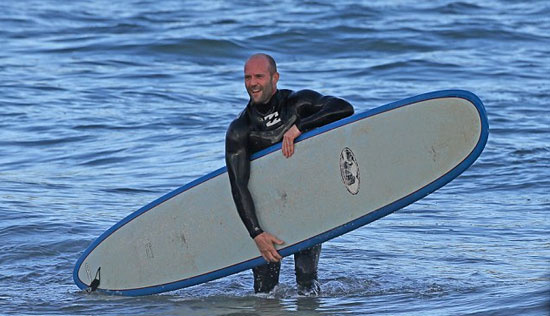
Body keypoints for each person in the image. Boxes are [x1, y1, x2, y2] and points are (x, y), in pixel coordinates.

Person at [225, 53, 354, 295]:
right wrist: (256, 233)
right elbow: (238, 185)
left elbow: (344, 108)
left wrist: (299, 128)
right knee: (264, 291)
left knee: (307, 283)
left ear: (275, 78)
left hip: (307, 204)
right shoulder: (240, 129)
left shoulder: (297, 104)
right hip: (265, 213)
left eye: (259, 76)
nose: (252, 82)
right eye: (247, 77)